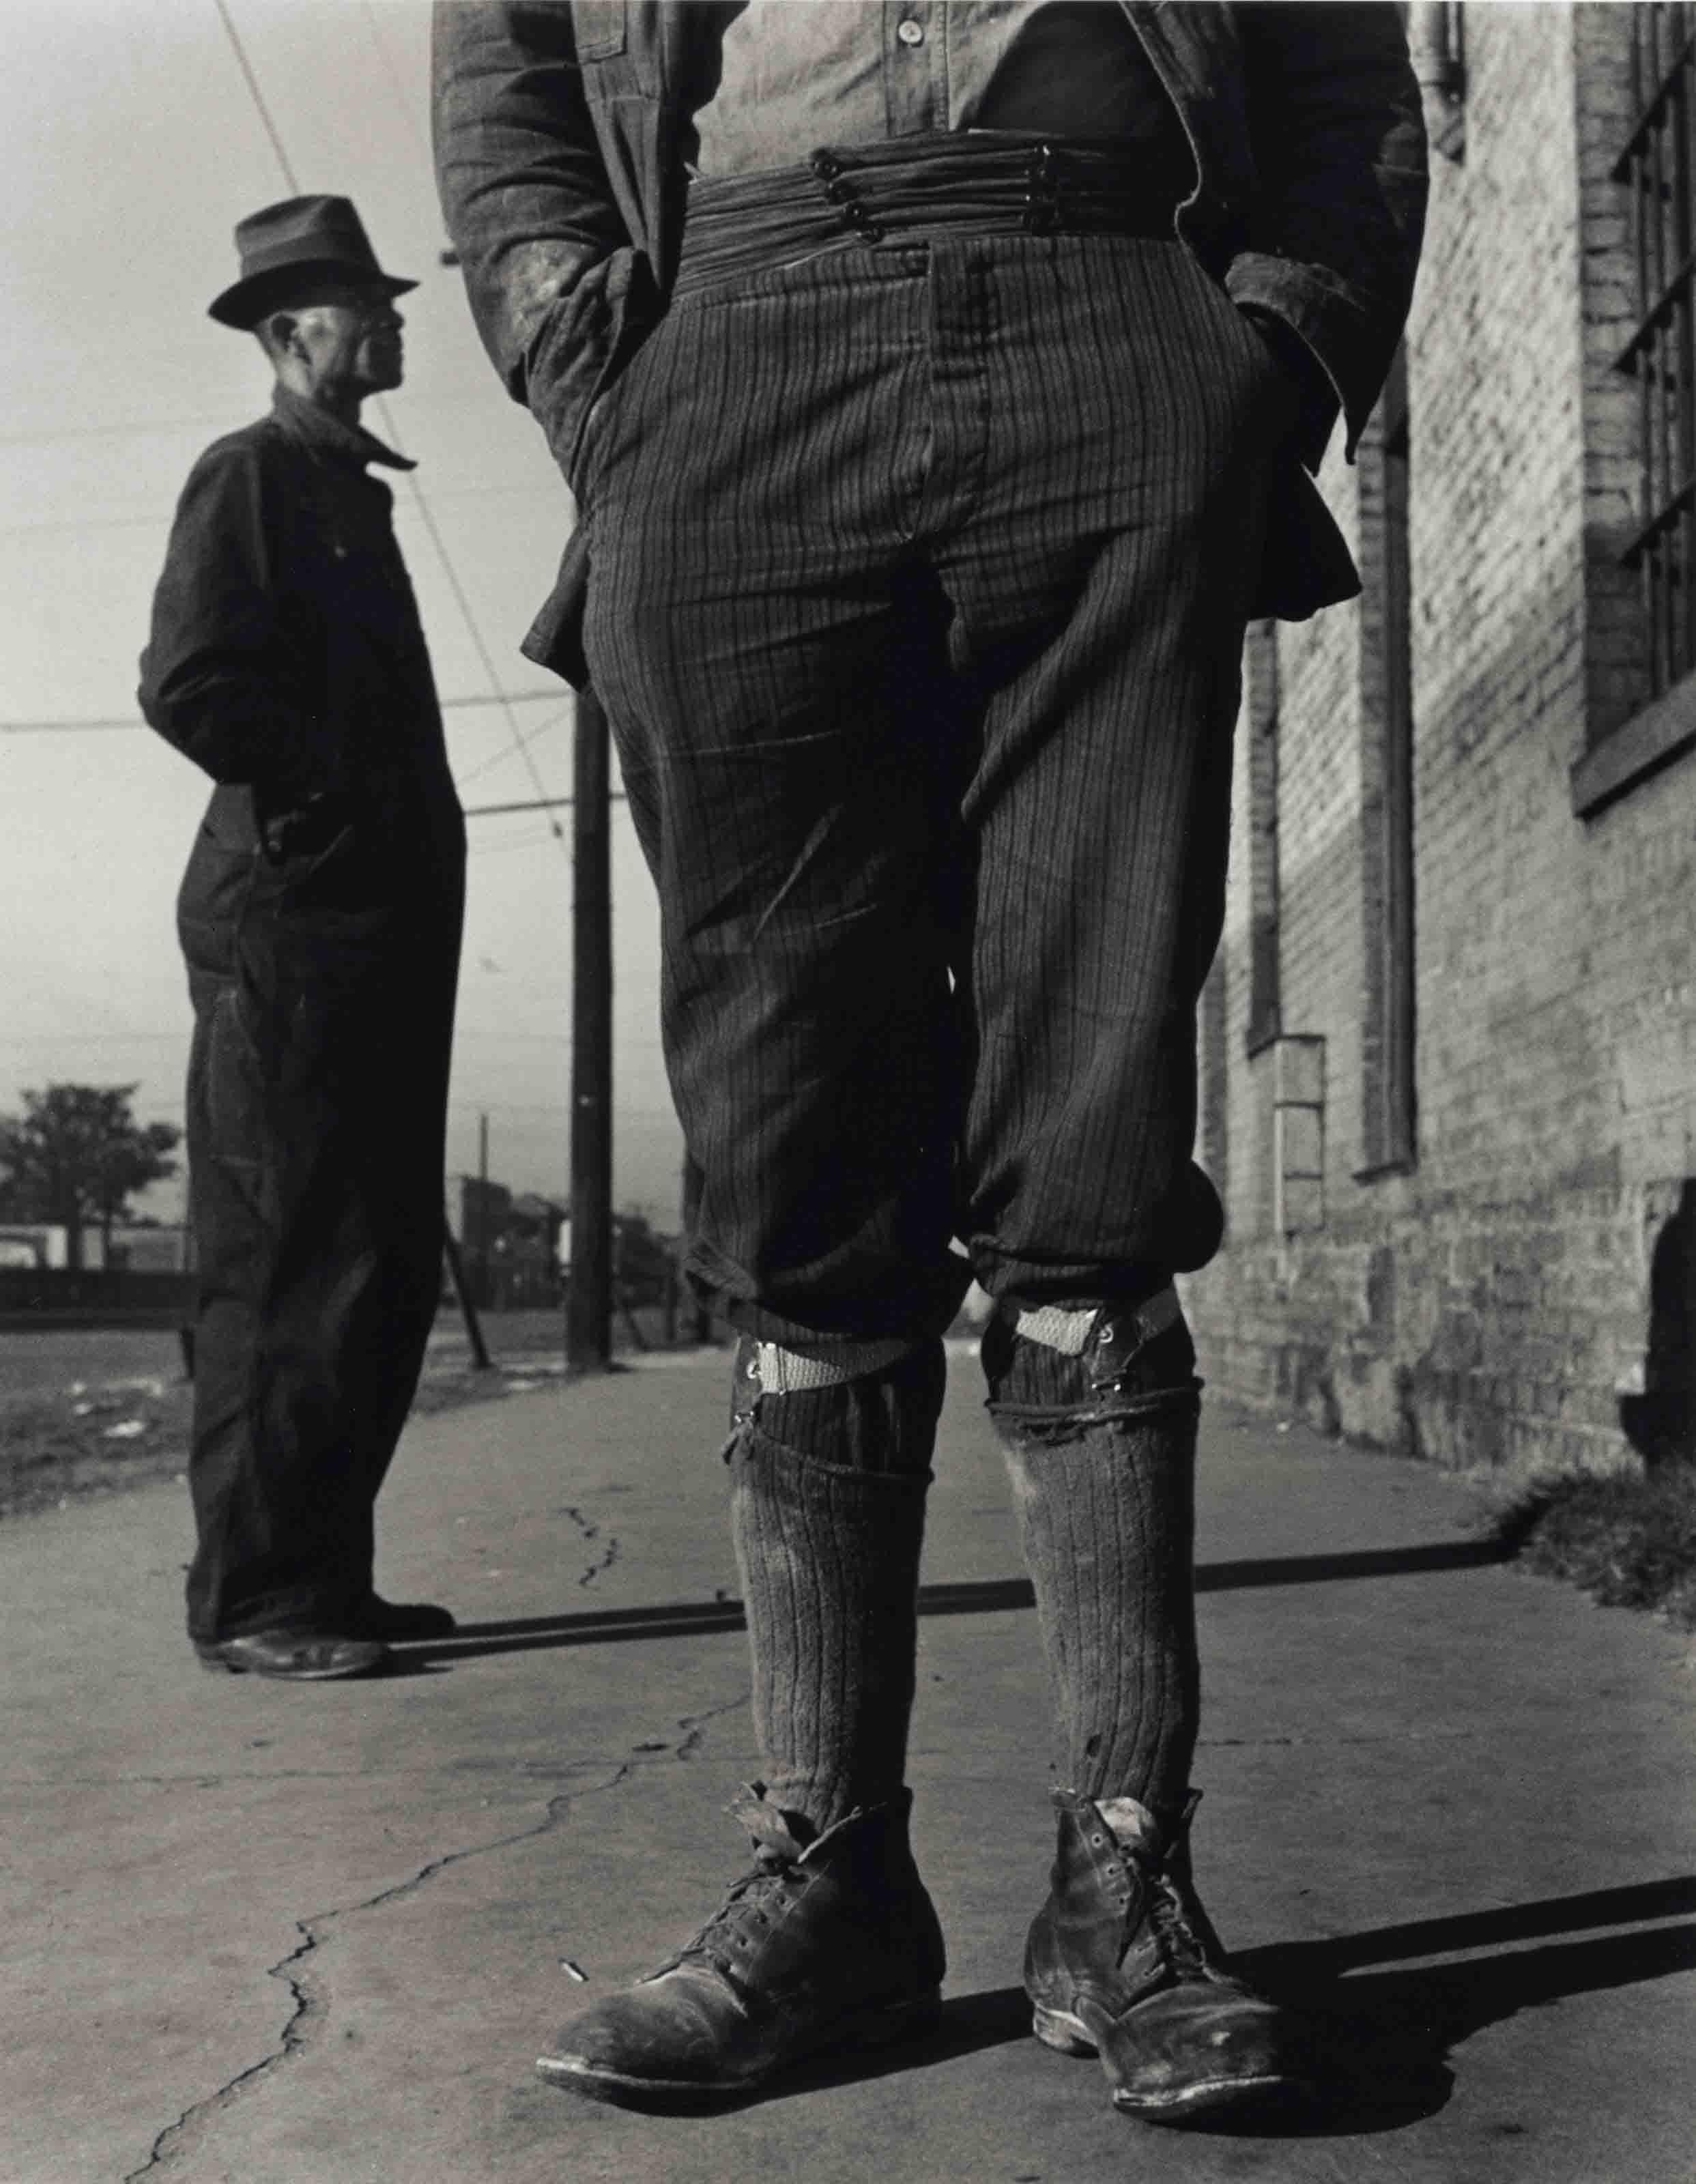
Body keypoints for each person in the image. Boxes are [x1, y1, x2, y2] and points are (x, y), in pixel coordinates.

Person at [434, 1, 1426, 2118]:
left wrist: (1263, 358)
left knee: (1083, 1134)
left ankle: (1123, 1888)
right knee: (793, 1152)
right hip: (732, 344)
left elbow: (1341, 69)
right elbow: (509, 68)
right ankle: (826, 1883)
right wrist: (601, 377)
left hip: (1110, 318)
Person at [139, 197, 467, 1682]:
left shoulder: (349, 490)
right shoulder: (253, 475)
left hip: (372, 927)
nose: (390, 323)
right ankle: (259, 1597)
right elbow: (193, 683)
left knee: (375, 1252)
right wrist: (330, 797)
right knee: (285, 1255)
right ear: (286, 337)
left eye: (389, 302)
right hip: (295, 921)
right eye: (358, 307)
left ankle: (324, 1576)